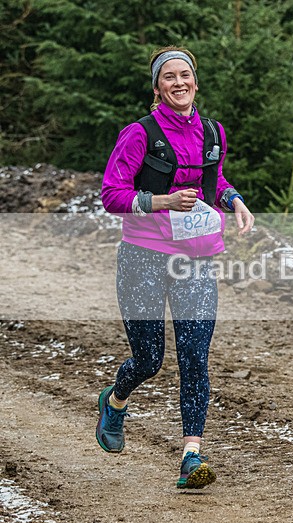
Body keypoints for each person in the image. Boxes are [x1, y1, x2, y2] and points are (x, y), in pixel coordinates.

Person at [97, 46, 255, 489]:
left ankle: (191, 456)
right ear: (157, 87)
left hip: (195, 259)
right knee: (149, 359)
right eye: (169, 77)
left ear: (196, 82)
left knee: (194, 358)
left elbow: (214, 180)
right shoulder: (138, 133)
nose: (179, 82)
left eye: (185, 75)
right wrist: (161, 201)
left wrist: (233, 200)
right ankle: (115, 400)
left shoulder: (212, 131)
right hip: (143, 257)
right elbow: (111, 194)